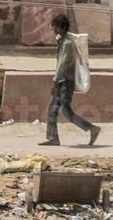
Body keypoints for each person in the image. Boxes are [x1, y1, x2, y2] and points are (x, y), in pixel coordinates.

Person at [41, 13, 101, 148]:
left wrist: (55, 81)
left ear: (62, 27)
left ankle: (92, 129)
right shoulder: (64, 40)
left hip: (64, 82)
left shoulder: (67, 43)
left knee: (66, 112)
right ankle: (53, 138)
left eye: (56, 27)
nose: (54, 30)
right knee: (52, 109)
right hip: (63, 81)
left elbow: (63, 64)